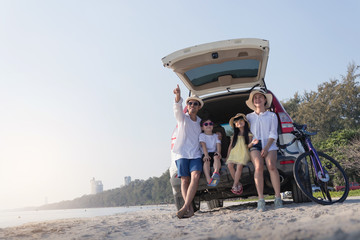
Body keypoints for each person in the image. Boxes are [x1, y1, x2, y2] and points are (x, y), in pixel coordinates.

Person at [246, 89, 283, 211]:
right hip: (255, 144)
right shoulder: (248, 117)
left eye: (260, 97)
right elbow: (246, 133)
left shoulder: (272, 115)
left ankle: (278, 197)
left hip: (269, 143)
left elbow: (273, 133)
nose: (257, 99)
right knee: (258, 166)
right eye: (255, 98)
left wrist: (266, 147)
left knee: (271, 165)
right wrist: (250, 143)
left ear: (265, 100)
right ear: (253, 101)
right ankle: (261, 199)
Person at [172, 84, 203, 219]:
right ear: (188, 105)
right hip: (182, 153)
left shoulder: (201, 122)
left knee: (195, 177)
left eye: (195, 104)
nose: (192, 105)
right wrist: (178, 96)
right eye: (190, 103)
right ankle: (189, 208)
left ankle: (184, 207)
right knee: (184, 180)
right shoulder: (182, 118)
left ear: (198, 107)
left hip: (196, 153)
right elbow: (177, 109)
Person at [225, 113, 257, 195]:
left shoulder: (249, 134)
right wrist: (228, 156)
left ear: (245, 122)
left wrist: (253, 143)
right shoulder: (234, 135)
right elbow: (230, 146)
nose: (239, 122)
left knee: (239, 166)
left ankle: (235, 185)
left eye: (241, 120)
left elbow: (248, 146)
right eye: (236, 121)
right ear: (235, 125)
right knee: (229, 165)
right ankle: (238, 183)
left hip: (244, 153)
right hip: (234, 153)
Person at [199, 118, 222, 187]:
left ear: (213, 126)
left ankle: (216, 172)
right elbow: (203, 145)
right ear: (202, 128)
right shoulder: (202, 135)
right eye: (206, 124)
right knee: (206, 161)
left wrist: (218, 152)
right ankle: (208, 179)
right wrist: (206, 155)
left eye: (210, 124)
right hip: (206, 153)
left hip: (214, 152)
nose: (208, 125)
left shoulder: (216, 136)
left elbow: (218, 145)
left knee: (216, 157)